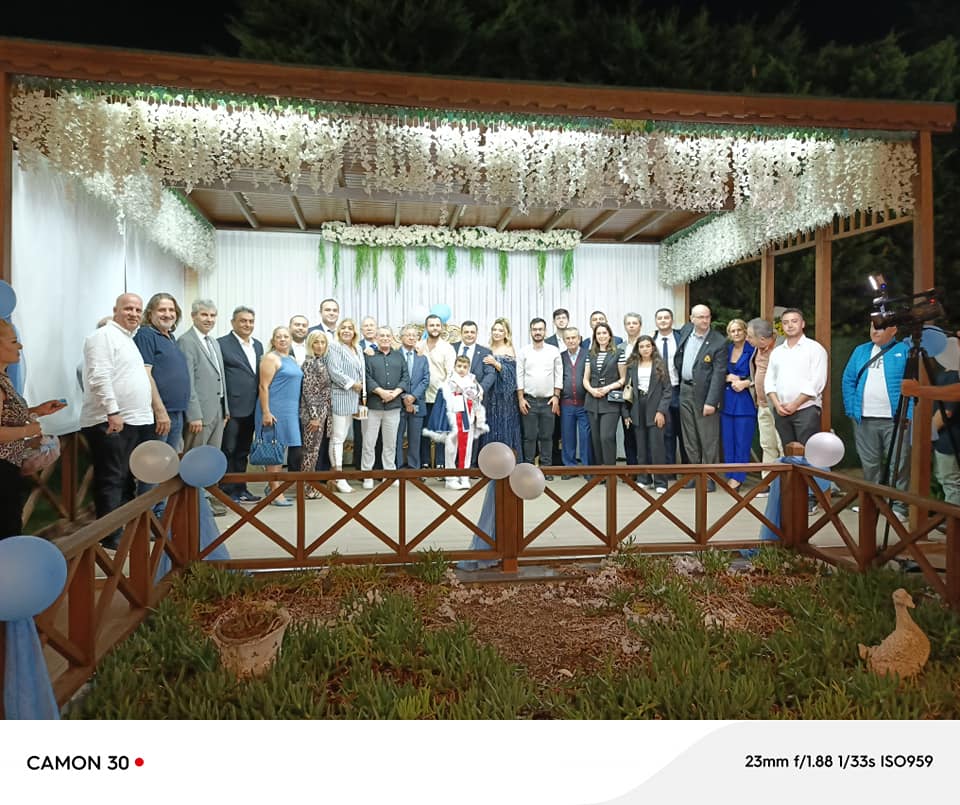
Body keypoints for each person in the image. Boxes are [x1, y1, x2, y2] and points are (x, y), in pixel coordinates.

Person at [79, 293, 155, 546]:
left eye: (138, 310)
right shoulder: (103, 336)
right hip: (110, 420)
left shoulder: (127, 339)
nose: (134, 313)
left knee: (126, 479)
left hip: (132, 420)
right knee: (111, 478)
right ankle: (110, 535)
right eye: (128, 308)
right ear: (115, 310)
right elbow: (98, 377)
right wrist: (112, 412)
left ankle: (125, 530)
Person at [0, 319, 67, 538]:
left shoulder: (4, 378)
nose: (20, 346)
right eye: (13, 341)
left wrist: (37, 410)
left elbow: (7, 418)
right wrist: (28, 431)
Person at [841, 322, 910, 517]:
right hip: (864, 417)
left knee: (899, 463)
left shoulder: (904, 350)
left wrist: (909, 414)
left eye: (879, 327)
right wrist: (851, 408)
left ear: (893, 330)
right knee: (870, 464)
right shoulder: (861, 350)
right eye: (872, 327)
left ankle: (898, 507)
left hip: (895, 419)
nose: (874, 331)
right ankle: (872, 504)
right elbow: (848, 380)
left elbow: (915, 385)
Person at [178, 298, 230, 515]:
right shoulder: (186, 341)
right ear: (193, 316)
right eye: (204, 315)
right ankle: (194, 504)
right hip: (199, 413)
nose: (209, 319)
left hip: (217, 410)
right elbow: (187, 381)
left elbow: (220, 377)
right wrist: (194, 414)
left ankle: (207, 499)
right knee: (196, 459)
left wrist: (225, 409)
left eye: (212, 315)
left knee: (211, 458)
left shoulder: (213, 342)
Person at [674, 304, 727, 491]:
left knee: (708, 438)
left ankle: (709, 478)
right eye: (701, 317)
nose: (705, 321)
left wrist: (711, 401)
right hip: (685, 390)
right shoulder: (686, 331)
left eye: (707, 317)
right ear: (692, 319)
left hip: (705, 395)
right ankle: (693, 474)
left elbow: (719, 375)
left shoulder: (718, 342)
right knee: (690, 437)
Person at [218, 306, 264, 503]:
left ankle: (241, 489)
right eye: (243, 321)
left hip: (252, 407)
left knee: (243, 451)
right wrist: (223, 407)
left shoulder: (258, 345)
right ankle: (227, 490)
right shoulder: (221, 344)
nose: (247, 324)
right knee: (228, 449)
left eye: (251, 321)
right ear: (233, 322)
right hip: (232, 408)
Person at [254, 326, 304, 506]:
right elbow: (263, 386)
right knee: (273, 448)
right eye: (279, 337)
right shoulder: (270, 358)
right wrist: (266, 412)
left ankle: (273, 486)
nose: (282, 339)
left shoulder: (291, 359)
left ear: (290, 340)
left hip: (290, 410)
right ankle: (275, 490)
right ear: (273, 340)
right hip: (274, 408)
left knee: (283, 447)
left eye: (285, 336)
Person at [765, 308, 828, 448]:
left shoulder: (815, 349)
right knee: (788, 454)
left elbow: (817, 382)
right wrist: (777, 404)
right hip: (781, 411)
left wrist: (795, 404)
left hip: (806, 409)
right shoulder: (777, 352)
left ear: (803, 324)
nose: (790, 325)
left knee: (808, 453)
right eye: (785, 322)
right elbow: (769, 381)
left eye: (794, 321)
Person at [134, 293, 190, 452]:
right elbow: (145, 374)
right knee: (154, 462)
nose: (167, 314)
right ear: (150, 313)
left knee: (169, 462)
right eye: (161, 310)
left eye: (171, 310)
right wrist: (159, 411)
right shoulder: (145, 335)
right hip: (159, 413)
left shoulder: (170, 337)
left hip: (176, 411)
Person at [425, 354, 489, 489]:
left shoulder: (473, 381)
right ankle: (451, 478)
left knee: (467, 448)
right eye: (459, 366)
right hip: (453, 420)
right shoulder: (450, 381)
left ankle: (464, 476)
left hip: (469, 420)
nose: (461, 369)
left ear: (468, 368)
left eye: (465, 367)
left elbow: (478, 398)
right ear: (454, 366)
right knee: (451, 448)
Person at [361, 326, 409, 488]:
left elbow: (405, 377)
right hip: (373, 406)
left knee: (390, 443)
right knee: (369, 443)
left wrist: (394, 393)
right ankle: (367, 475)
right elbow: (366, 377)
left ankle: (389, 474)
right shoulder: (369, 356)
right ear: (376, 338)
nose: (385, 338)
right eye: (381, 335)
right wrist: (381, 392)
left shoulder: (399, 357)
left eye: (388, 335)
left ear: (392, 337)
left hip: (393, 406)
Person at [624, 335, 671, 492]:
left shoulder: (660, 365)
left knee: (657, 447)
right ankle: (644, 479)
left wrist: (661, 411)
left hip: (655, 407)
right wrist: (626, 413)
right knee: (641, 447)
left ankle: (660, 482)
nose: (645, 349)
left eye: (647, 346)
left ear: (653, 347)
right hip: (638, 407)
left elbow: (667, 390)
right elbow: (627, 390)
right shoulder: (632, 365)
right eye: (641, 346)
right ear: (637, 349)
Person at [517, 317, 562, 474]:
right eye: (535, 329)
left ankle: (546, 469)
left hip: (549, 401)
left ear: (545, 331)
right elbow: (519, 376)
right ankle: (529, 469)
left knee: (547, 437)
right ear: (531, 331)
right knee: (529, 437)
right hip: (528, 400)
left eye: (540, 329)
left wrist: (556, 396)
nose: (537, 332)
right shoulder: (524, 351)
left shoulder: (553, 351)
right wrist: (521, 399)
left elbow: (559, 374)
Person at [326, 318, 365, 493]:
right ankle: (338, 477)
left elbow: (361, 372)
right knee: (338, 438)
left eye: (350, 328)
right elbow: (334, 371)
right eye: (343, 328)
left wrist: (361, 392)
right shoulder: (334, 347)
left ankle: (337, 477)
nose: (347, 330)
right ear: (339, 331)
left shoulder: (358, 348)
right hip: (340, 396)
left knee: (341, 436)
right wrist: (352, 384)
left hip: (354, 398)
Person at [449, 319, 495, 462]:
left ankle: (470, 465)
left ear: (476, 334)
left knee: (471, 434)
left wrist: (478, 391)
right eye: (466, 332)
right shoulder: (451, 348)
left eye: (472, 332)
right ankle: (449, 466)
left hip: (473, 402)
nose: (469, 335)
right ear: (461, 333)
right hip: (453, 399)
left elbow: (490, 374)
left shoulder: (485, 352)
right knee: (452, 432)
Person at [583, 321, 627, 471]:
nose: (601, 336)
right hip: (592, 401)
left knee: (606, 437)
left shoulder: (619, 353)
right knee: (596, 439)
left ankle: (610, 471)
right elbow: (585, 379)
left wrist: (608, 388)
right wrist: (591, 390)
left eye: (604, 333)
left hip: (610, 402)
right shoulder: (590, 354)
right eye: (598, 333)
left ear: (610, 336)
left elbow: (623, 379)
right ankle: (600, 471)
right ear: (595, 337)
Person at [745, 317, 783, 490]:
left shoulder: (781, 349)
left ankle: (784, 485)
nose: (747, 339)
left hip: (778, 405)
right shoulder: (758, 348)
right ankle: (768, 484)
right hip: (762, 405)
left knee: (781, 445)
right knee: (767, 445)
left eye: (749, 336)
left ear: (761, 338)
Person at [721, 318, 757, 489]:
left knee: (743, 441)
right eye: (732, 331)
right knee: (728, 440)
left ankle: (739, 476)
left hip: (745, 401)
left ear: (745, 331)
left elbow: (761, 373)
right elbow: (717, 370)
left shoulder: (753, 349)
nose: (736, 333)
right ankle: (730, 474)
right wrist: (726, 377)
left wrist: (746, 382)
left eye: (739, 330)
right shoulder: (726, 349)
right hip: (727, 399)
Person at [418, 314, 456, 472]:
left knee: (441, 431)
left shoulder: (447, 348)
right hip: (421, 396)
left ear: (442, 327)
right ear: (426, 327)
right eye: (431, 325)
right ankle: (425, 463)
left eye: (437, 325)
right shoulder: (419, 346)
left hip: (440, 397)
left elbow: (451, 373)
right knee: (424, 431)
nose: (434, 328)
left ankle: (441, 464)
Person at [482, 317, 523, 457]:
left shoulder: (509, 349)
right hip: (489, 395)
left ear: (506, 333)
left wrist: (495, 363)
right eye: (495, 330)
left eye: (500, 330)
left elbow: (512, 375)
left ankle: (507, 460)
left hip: (505, 398)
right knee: (490, 425)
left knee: (505, 425)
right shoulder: (487, 348)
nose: (497, 332)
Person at [299, 330, 332, 499]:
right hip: (313, 415)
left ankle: (309, 484)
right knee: (310, 452)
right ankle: (306, 487)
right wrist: (314, 417)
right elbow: (308, 392)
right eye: (316, 342)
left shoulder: (321, 361)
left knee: (314, 451)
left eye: (322, 342)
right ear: (310, 344)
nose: (319, 346)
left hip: (322, 413)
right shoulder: (310, 363)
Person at [653, 307, 686, 476]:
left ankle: (687, 471)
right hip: (661, 391)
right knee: (666, 432)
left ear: (672, 320)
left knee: (684, 432)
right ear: (656, 321)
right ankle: (669, 470)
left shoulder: (681, 338)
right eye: (660, 318)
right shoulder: (652, 341)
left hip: (680, 389)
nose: (663, 320)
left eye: (666, 317)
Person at [396, 325, 430, 471]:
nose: (411, 338)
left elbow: (425, 380)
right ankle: (397, 469)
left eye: (414, 335)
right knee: (396, 439)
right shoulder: (394, 355)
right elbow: (392, 379)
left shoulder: (422, 358)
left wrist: (413, 396)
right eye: (408, 335)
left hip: (418, 403)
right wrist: (404, 396)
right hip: (397, 403)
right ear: (401, 337)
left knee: (415, 439)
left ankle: (414, 469)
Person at [559, 326, 591, 476]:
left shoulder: (588, 354)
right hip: (566, 404)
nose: (571, 340)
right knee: (567, 437)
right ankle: (569, 468)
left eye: (574, 338)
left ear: (579, 339)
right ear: (564, 340)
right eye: (568, 338)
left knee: (586, 437)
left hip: (585, 403)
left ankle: (587, 468)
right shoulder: (560, 357)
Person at [620, 312, 643, 470]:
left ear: (640, 326)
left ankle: (644, 468)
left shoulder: (646, 345)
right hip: (626, 394)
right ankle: (631, 468)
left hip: (643, 392)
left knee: (642, 433)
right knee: (628, 431)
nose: (631, 326)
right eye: (628, 323)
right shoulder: (620, 347)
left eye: (635, 323)